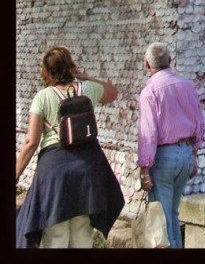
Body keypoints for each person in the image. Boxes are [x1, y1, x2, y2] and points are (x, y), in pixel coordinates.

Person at [15, 45, 124, 248]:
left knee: (56, 234)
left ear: (47, 71)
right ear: (71, 65)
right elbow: (113, 93)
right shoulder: (87, 90)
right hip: (87, 171)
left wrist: (15, 174)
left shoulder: (43, 97)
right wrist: (85, 77)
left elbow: (31, 142)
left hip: (55, 174)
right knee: (82, 233)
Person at [138, 42, 205, 249]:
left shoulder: (150, 92)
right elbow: (199, 122)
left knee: (161, 220)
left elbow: (148, 133)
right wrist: (194, 155)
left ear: (147, 64)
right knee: (173, 214)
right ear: (170, 61)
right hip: (185, 153)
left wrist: (145, 170)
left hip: (164, 157)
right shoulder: (187, 86)